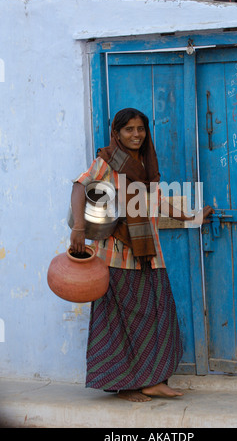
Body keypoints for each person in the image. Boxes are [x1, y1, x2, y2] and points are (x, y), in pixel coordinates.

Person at [70, 108, 213, 402]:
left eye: (141, 129)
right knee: (120, 320)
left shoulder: (145, 163)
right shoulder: (108, 161)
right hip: (115, 254)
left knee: (159, 315)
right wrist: (79, 229)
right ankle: (127, 386)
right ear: (117, 133)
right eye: (129, 130)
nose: (136, 135)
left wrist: (191, 217)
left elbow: (155, 200)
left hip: (148, 251)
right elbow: (80, 186)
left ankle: (153, 380)